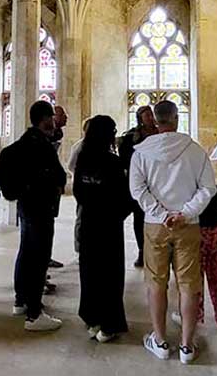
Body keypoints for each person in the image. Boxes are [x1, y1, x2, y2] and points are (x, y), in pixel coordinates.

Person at [129, 100, 216, 364]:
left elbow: (137, 190)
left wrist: (161, 213)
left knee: (156, 283)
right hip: (187, 225)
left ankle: (160, 340)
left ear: (155, 121)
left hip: (156, 225)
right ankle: (187, 347)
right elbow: (208, 188)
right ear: (176, 119)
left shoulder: (141, 152)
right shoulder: (195, 151)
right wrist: (185, 213)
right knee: (189, 285)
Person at [73, 115, 133, 342]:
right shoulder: (113, 162)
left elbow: (79, 191)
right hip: (109, 226)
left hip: (89, 222)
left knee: (90, 271)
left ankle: (92, 318)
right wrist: (118, 215)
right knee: (110, 274)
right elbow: (124, 196)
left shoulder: (83, 158)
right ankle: (109, 324)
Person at [10, 100, 67, 331]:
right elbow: (58, 175)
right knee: (39, 257)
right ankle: (34, 313)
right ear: (45, 118)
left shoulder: (27, 140)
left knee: (26, 252)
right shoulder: (40, 145)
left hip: (26, 205)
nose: (53, 121)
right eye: (52, 117)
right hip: (40, 207)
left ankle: (21, 301)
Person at [172, 184, 217, 331]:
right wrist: (213, 219)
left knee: (193, 278)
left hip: (193, 235)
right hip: (213, 235)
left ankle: (194, 315)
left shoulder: (187, 191)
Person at [118, 105, 159, 267]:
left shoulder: (160, 133)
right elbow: (125, 156)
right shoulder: (133, 135)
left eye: (151, 114)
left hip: (157, 180)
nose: (149, 117)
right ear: (140, 118)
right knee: (139, 218)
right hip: (140, 180)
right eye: (146, 115)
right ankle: (142, 250)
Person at [48, 104, 69, 270]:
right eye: (62, 115)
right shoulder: (42, 138)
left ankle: (45, 257)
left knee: (47, 226)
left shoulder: (55, 134)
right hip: (40, 192)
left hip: (50, 189)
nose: (66, 117)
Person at [68, 117, 91, 255]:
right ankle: (79, 246)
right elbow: (71, 166)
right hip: (83, 187)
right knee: (81, 217)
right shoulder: (79, 146)